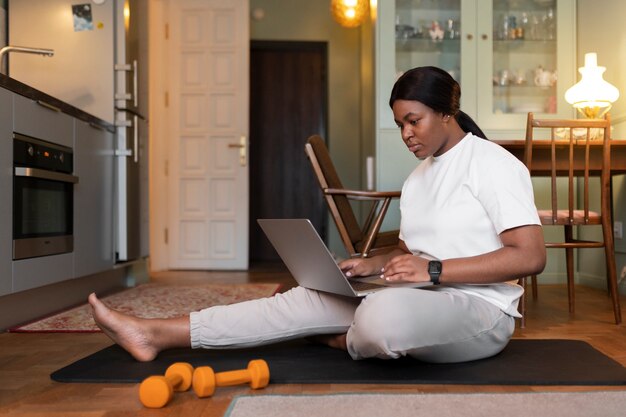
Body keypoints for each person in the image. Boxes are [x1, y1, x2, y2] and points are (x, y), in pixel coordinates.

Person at [89, 66, 546, 363]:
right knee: (298, 298)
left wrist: (433, 269)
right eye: (400, 124)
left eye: (414, 120)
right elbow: (411, 248)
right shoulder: (418, 179)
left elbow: (529, 257)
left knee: (383, 317)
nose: (406, 134)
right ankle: (157, 334)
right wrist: (374, 263)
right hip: (418, 292)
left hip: (480, 309)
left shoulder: (494, 164)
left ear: (447, 114)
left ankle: (335, 337)